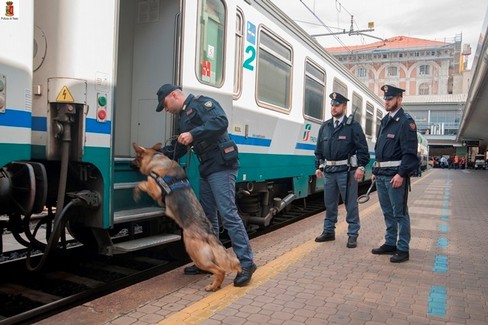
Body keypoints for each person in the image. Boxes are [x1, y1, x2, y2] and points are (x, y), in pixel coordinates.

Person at [155, 83, 256, 287]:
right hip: (207, 168)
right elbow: (180, 147)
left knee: (228, 213)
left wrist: (193, 134)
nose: (166, 109)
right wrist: (157, 155)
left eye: (165, 104)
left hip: (221, 165)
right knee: (209, 218)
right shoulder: (183, 118)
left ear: (174, 95)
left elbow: (221, 122)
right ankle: (209, 261)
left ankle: (247, 263)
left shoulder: (202, 103)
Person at [314, 92, 370, 248]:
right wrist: (318, 166)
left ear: (344, 106)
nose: (333, 107)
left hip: (347, 172)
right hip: (330, 171)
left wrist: (361, 167)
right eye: (332, 105)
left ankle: (353, 234)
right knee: (329, 204)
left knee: (350, 204)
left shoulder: (353, 126)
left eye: (337, 105)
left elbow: (362, 149)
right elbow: (319, 149)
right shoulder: (325, 126)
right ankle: (328, 231)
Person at [371, 85, 419, 263]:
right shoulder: (385, 121)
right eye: (385, 98)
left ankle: (403, 248)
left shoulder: (406, 122)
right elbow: (380, 149)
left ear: (400, 99)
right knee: (387, 212)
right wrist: (376, 170)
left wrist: (401, 174)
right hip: (382, 175)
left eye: (390, 99)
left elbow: (410, 154)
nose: (387, 101)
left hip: (395, 177)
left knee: (400, 213)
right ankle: (390, 243)